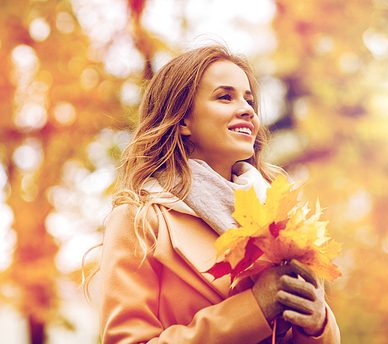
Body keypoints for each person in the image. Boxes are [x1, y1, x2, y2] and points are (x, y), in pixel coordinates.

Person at [93, 44, 341, 344]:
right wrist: (254, 309)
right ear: (183, 120)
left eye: (249, 100)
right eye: (225, 97)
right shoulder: (140, 220)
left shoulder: (279, 216)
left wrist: (317, 325)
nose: (247, 110)